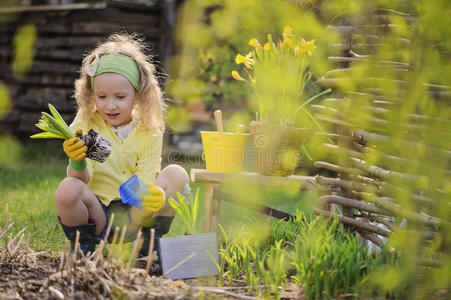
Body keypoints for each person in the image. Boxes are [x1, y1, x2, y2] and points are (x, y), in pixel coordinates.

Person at [55, 33, 189, 265]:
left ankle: (148, 249)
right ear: (91, 94)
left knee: (177, 174)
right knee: (68, 188)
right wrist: (76, 161)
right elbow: (80, 180)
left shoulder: (148, 127)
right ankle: (82, 251)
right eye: (102, 96)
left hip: (136, 215)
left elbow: (148, 173)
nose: (110, 105)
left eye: (120, 96)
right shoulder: (86, 122)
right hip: (99, 216)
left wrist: (152, 197)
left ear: (137, 94)